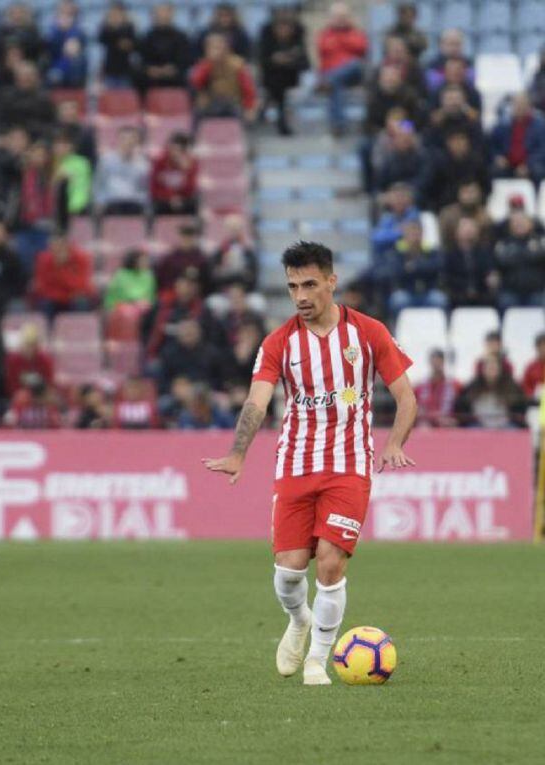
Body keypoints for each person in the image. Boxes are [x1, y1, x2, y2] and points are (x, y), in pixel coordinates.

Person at [203, 241, 417, 686]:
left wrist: (395, 442)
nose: (300, 295)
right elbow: (256, 401)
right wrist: (239, 452)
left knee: (331, 562)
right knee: (287, 573)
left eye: (309, 284)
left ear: (331, 282)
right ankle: (299, 620)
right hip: (296, 464)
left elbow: (406, 396)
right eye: (292, 286)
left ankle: (318, 660)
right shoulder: (278, 342)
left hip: (349, 465)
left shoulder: (369, 333)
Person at [315, 3, 368, 135]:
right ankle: (338, 125)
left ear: (349, 17)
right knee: (334, 84)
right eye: (337, 17)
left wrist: (339, 38)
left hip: (353, 74)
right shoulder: (324, 34)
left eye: (343, 16)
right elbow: (323, 49)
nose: (340, 20)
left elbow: (361, 48)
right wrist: (345, 41)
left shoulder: (357, 33)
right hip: (332, 75)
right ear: (330, 18)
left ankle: (327, 82)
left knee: (354, 64)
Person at [258, 8, 309, 135]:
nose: (284, 31)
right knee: (276, 87)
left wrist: (288, 60)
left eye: (287, 27)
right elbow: (262, 62)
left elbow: (306, 64)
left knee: (279, 89)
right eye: (280, 27)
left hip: (292, 79)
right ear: (274, 28)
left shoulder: (298, 40)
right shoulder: (266, 40)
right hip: (272, 80)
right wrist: (276, 61)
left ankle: (266, 113)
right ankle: (281, 123)